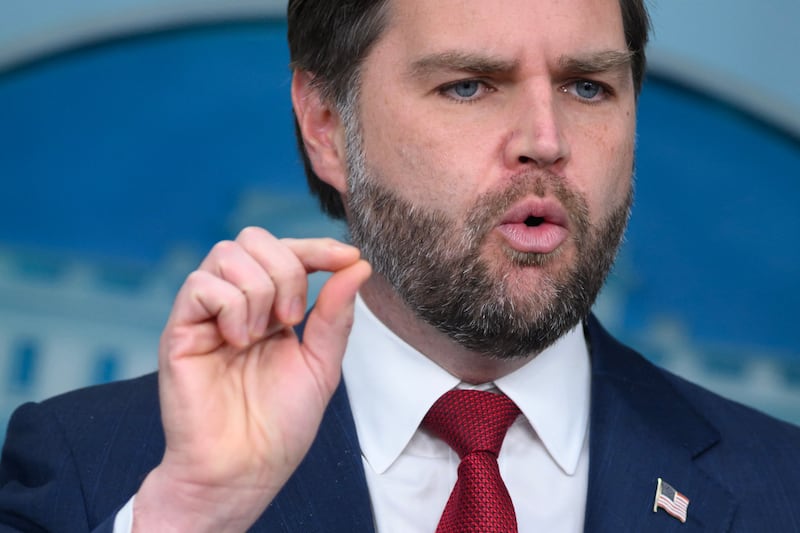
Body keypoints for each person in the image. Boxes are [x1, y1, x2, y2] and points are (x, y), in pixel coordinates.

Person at [1, 0, 799, 531]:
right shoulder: (93, 468)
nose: (546, 138)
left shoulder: (779, 488)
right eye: (467, 86)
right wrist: (189, 514)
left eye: (588, 87)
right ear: (325, 126)